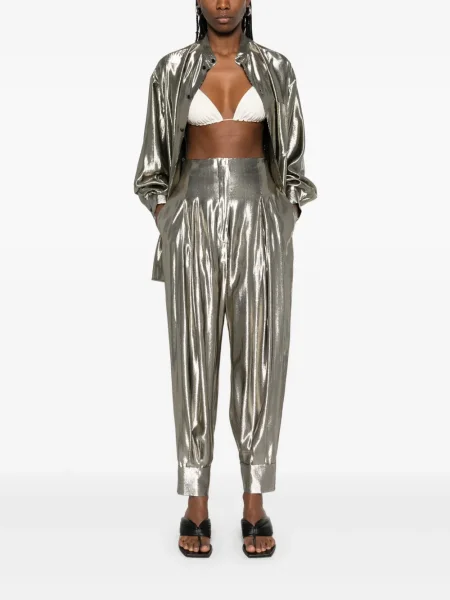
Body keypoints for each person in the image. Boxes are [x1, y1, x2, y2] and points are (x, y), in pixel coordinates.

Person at [133, 0, 317, 558]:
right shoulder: (171, 69)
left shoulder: (277, 68)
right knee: (193, 357)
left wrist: (285, 215)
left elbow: (292, 160)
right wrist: (167, 215)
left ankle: (254, 501)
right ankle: (196, 502)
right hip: (192, 220)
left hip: (261, 218)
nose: (222, 3)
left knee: (260, 356)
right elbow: (152, 164)